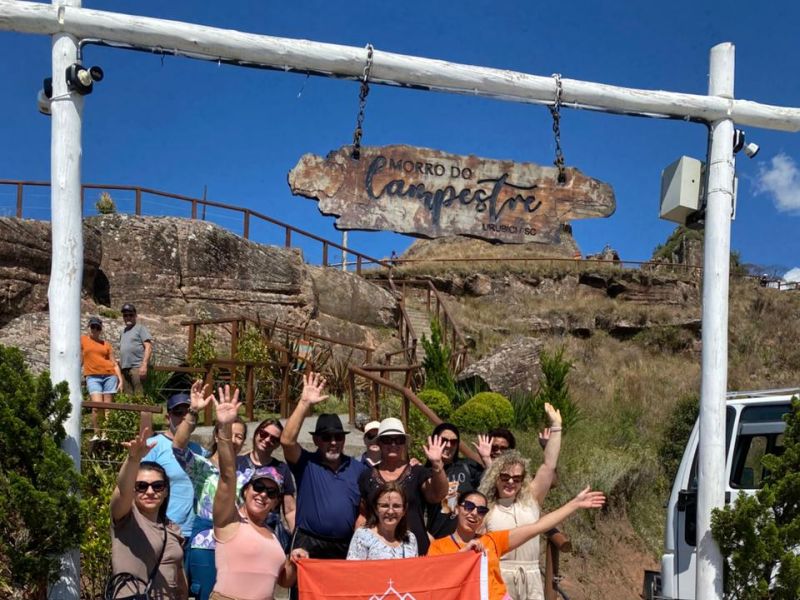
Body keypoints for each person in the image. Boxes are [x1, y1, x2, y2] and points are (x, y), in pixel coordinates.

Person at [212, 385, 308, 600]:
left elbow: (285, 581)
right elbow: (228, 476)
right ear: (246, 491)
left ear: (276, 503)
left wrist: (293, 560)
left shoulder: (273, 536)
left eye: (272, 493)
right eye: (258, 487)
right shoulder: (229, 521)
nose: (263, 494)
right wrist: (225, 428)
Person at [427, 487, 605, 600]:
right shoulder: (439, 546)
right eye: (468, 506)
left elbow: (538, 527)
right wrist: (464, 553)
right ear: (457, 508)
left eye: (481, 510)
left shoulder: (492, 541)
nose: (474, 513)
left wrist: (574, 504)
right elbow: (436, 584)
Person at [477, 403, 563, 600]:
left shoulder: (530, 499)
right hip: (498, 576)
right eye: (505, 477)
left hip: (530, 577)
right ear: (495, 478)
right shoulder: (486, 506)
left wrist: (556, 427)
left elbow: (549, 466)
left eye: (516, 479)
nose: (510, 482)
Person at [173, 381, 250, 600]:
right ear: (217, 435)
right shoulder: (201, 467)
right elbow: (178, 447)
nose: (234, 440)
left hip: (237, 546)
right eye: (229, 433)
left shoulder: (248, 474)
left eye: (239, 436)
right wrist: (194, 411)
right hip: (205, 545)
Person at [280, 372, 367, 560]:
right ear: (316, 440)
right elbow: (287, 441)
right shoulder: (305, 463)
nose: (333, 442)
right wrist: (304, 404)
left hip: (345, 546)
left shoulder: (359, 469)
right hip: (307, 544)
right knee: (303, 591)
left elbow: (365, 509)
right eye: (327, 437)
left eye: (338, 437)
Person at [110, 427, 187, 599]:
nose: (150, 492)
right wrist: (133, 459)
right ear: (134, 489)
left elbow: (178, 577)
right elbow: (123, 491)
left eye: (157, 486)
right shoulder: (126, 518)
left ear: (166, 491)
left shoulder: (172, 528)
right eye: (142, 486)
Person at [358, 417, 448, 556]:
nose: (393, 444)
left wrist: (437, 465)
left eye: (398, 439)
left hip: (414, 550)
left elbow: (437, 495)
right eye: (387, 439)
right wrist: (359, 546)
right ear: (379, 443)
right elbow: (363, 515)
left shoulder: (418, 472)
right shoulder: (366, 476)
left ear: (404, 443)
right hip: (378, 553)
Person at [142, 391, 209, 541]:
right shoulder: (152, 446)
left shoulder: (201, 452)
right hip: (164, 530)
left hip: (196, 533)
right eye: (179, 413)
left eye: (190, 413)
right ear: (168, 418)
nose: (185, 418)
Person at [237, 418, 297, 550]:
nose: (267, 440)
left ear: (277, 444)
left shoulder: (282, 469)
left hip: (269, 533)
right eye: (264, 434)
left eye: (274, 439)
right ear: (256, 433)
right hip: (238, 529)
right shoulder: (237, 463)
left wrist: (297, 543)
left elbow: (290, 510)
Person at [425, 423, 491, 539]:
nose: (449, 445)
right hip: (437, 540)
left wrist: (487, 460)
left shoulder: (468, 466)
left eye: (454, 442)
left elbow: (494, 484)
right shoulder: (425, 472)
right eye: (444, 440)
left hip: (466, 540)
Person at [347, 481, 418, 560]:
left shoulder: (410, 538)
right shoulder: (362, 536)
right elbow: (353, 570)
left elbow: (414, 570)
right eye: (384, 506)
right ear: (376, 509)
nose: (390, 511)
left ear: (404, 510)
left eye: (396, 506)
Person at [80, 315, 122, 440]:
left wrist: (120, 380)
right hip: (92, 376)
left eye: (97, 327)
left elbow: (114, 363)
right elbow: (79, 357)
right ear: (89, 327)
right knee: (96, 406)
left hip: (109, 375)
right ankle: (97, 433)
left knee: (108, 407)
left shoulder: (106, 344)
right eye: (93, 326)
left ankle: (106, 433)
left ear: (101, 329)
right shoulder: (82, 340)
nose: (95, 330)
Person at [118, 303, 152, 396]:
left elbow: (148, 347)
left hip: (137, 368)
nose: (128, 317)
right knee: (128, 398)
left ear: (135, 315)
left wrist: (144, 365)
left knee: (140, 397)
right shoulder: (122, 332)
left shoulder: (140, 328)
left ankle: (144, 411)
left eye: (130, 315)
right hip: (125, 369)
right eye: (125, 315)